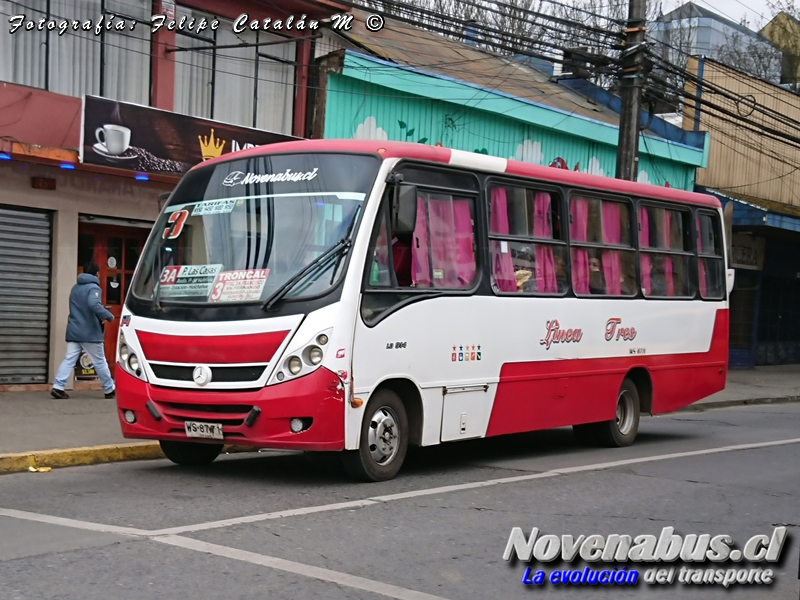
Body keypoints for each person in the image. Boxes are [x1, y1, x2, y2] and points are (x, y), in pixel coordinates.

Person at [51, 262, 116, 399]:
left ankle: (58, 386)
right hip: (89, 332)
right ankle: (109, 389)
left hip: (74, 330)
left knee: (69, 359)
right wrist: (108, 315)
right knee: (99, 361)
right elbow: (93, 304)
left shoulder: (75, 288)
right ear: (96, 274)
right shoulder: (93, 288)